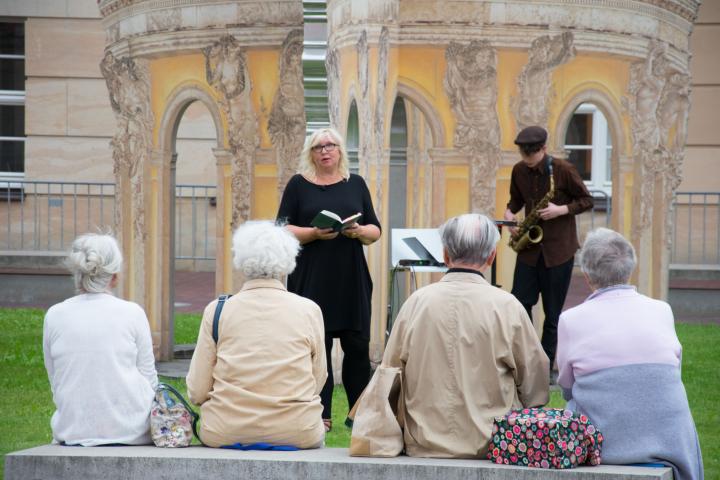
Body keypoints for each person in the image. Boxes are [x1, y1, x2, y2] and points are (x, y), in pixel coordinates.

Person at [381, 213, 549, 458]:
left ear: (445, 255)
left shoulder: (416, 302)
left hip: (424, 445)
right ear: (492, 257)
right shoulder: (507, 306)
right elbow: (535, 386)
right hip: (492, 444)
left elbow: (390, 375)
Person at [557, 228, 703, 480]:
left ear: (588, 275)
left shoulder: (571, 320)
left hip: (602, 444)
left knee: (574, 403)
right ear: (629, 269)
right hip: (671, 443)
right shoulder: (662, 310)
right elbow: (672, 372)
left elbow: (567, 387)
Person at [186, 221, 327, 449]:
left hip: (226, 430)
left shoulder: (218, 310)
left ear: (241, 261)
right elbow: (317, 379)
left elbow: (197, 390)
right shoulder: (309, 310)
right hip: (297, 430)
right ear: (287, 262)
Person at [277, 127, 381, 431]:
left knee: (357, 347)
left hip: (351, 278)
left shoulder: (356, 184)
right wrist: (313, 233)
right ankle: (319, 416)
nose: (325, 151)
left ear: (340, 151)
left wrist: (358, 231)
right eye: (318, 146)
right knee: (316, 347)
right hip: (311, 277)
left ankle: (359, 414)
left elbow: (375, 229)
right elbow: (281, 229)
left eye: (331, 145)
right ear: (311, 153)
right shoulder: (298, 185)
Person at [43, 233, 158, 446]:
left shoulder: (54, 315)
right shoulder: (132, 313)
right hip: (130, 430)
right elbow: (149, 379)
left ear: (77, 274)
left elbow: (56, 381)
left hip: (72, 430)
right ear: (115, 276)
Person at [504, 125, 593, 374]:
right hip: (529, 251)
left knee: (552, 314)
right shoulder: (519, 170)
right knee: (519, 304)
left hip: (559, 251)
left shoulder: (563, 170)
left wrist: (561, 210)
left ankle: (546, 367)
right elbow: (515, 200)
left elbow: (587, 200)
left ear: (543, 148)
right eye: (524, 156)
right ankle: (523, 360)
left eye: (532, 156)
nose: (528, 162)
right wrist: (510, 213)